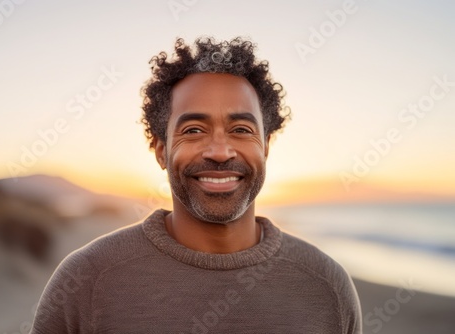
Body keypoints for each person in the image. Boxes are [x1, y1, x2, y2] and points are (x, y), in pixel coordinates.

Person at [31, 37, 362, 333]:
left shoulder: (327, 286)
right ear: (161, 150)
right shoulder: (86, 279)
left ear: (266, 147)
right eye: (193, 130)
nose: (220, 152)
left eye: (242, 130)